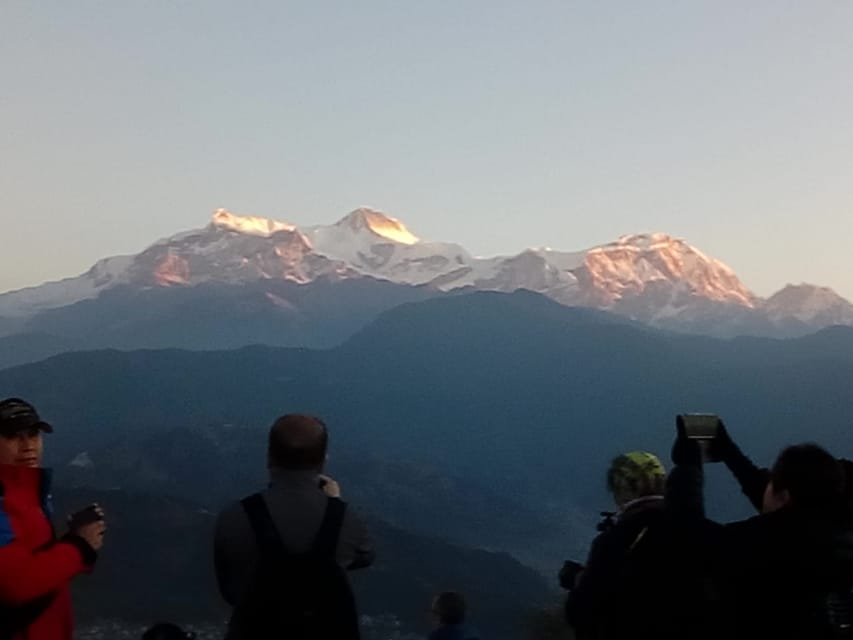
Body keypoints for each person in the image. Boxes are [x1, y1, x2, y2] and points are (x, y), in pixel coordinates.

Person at [668, 422, 853, 640]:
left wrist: (688, 468)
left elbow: (690, 537)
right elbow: (784, 511)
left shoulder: (771, 546)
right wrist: (731, 454)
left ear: (784, 497)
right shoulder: (832, 538)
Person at [214, 414, 374, 639]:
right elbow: (365, 556)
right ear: (322, 462)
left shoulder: (234, 518)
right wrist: (335, 505)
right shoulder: (346, 520)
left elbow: (229, 590)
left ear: (269, 458)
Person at [562, 451, 704, 639]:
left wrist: (577, 579)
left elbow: (581, 612)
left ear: (625, 489)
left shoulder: (613, 541)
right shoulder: (695, 528)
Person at [0, 397, 106, 640]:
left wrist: (78, 541)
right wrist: (79, 547)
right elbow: (15, 584)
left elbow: (36, 566)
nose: (28, 446)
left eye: (34, 434)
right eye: (14, 436)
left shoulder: (30, 494)